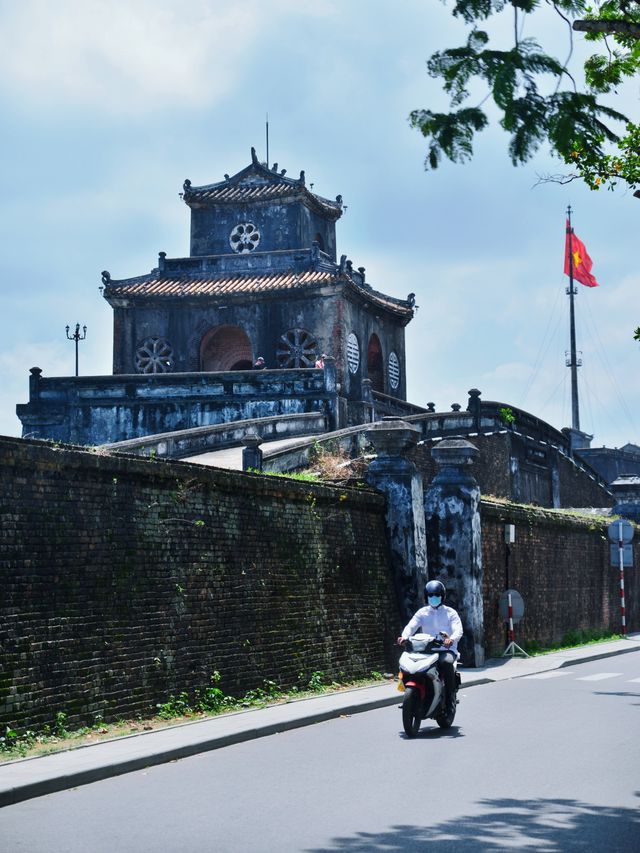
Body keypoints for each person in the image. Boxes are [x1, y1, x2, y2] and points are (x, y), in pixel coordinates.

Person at [397, 580, 462, 716]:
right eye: (431, 595)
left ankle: (450, 698)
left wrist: (451, 639)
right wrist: (404, 637)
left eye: (436, 595)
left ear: (442, 596)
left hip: (445, 650)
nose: (433, 598)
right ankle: (411, 693)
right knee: (409, 665)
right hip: (425, 650)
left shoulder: (451, 613)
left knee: (447, 663)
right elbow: (411, 626)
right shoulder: (422, 612)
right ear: (426, 597)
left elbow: (458, 630)